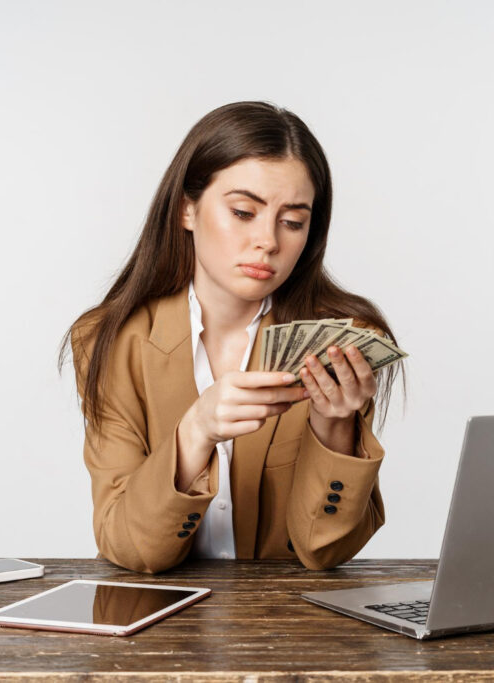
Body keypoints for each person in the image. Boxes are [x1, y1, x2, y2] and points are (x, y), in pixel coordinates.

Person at [58, 101, 404, 573]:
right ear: (186, 209)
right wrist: (195, 432)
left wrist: (335, 428)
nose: (268, 240)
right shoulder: (109, 343)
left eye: (292, 221)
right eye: (244, 212)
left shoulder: (341, 346)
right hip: (156, 629)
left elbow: (323, 551)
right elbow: (128, 546)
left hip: (288, 629)